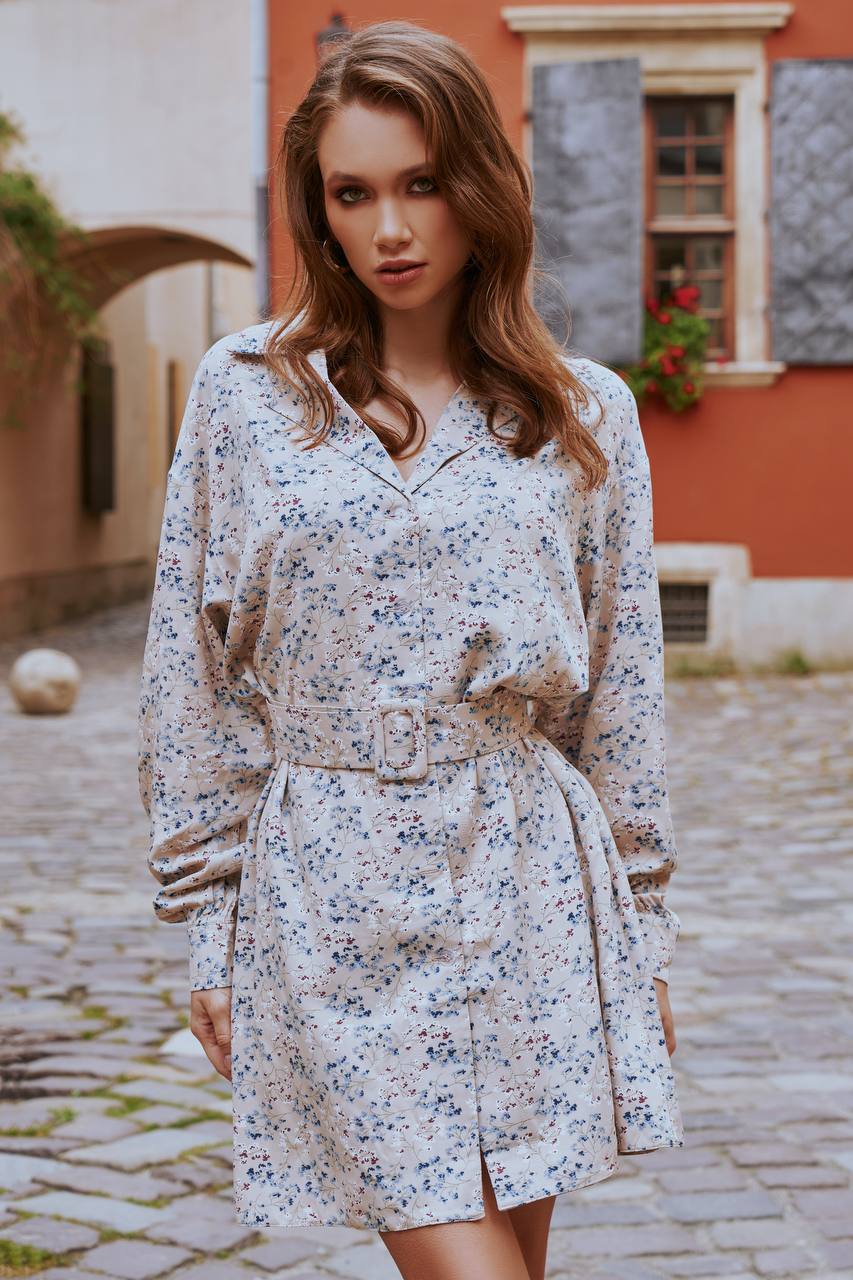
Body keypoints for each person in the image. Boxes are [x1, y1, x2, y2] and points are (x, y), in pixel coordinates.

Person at [137, 18, 684, 1280]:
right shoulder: (245, 395)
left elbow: (623, 684)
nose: (390, 227)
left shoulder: (581, 410)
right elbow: (194, 675)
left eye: (422, 183)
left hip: (530, 874)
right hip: (330, 886)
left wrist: (642, 931)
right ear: (317, 209)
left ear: (479, 187)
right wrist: (204, 924)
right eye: (353, 192)